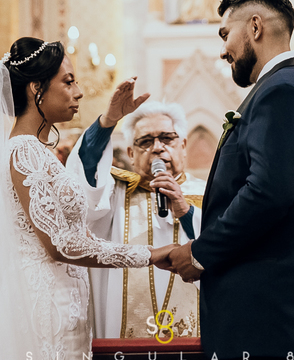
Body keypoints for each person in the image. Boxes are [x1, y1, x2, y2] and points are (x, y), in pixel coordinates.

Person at [0, 38, 175, 360]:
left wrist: (109, 119)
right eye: (68, 81)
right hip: (42, 305)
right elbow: (60, 244)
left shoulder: (40, 152)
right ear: (36, 88)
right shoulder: (23, 152)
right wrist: (150, 255)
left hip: (64, 302)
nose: (79, 92)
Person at [157, 0, 294, 360]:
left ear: (255, 27)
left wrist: (199, 253)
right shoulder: (285, 87)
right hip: (270, 315)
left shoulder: (283, 92)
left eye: (226, 34)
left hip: (273, 315)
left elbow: (267, 193)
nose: (223, 50)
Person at [68, 97, 206, 338]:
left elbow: (223, 246)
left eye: (167, 138)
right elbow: (86, 165)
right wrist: (108, 120)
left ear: (183, 145)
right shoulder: (114, 193)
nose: (157, 147)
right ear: (131, 153)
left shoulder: (209, 193)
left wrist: (185, 210)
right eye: (145, 141)